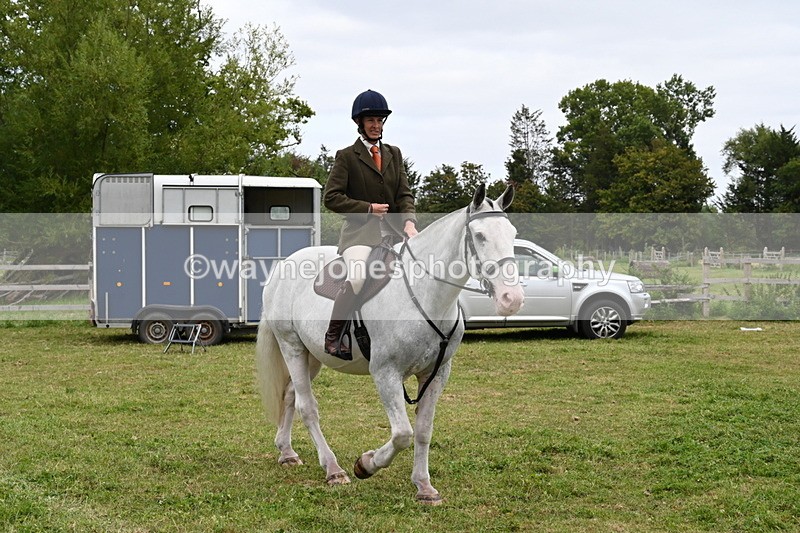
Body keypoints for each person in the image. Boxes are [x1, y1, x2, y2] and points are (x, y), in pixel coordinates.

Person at [322, 89, 418, 359]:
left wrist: (409, 222)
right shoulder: (347, 156)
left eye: (379, 120)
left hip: (396, 234)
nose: (376, 125)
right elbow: (331, 198)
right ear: (360, 124)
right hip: (360, 235)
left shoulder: (394, 154)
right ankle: (334, 335)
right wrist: (367, 208)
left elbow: (404, 194)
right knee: (357, 277)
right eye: (371, 121)